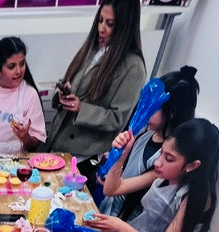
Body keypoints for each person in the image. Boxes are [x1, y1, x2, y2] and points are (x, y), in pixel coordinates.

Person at [85, 118, 219, 232]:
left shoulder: (196, 197)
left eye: (169, 158)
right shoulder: (163, 173)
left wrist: (121, 227)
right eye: (161, 152)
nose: (158, 162)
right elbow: (112, 189)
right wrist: (121, 155)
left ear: (193, 166)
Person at [45, 0, 146, 171]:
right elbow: (78, 90)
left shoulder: (133, 67)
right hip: (57, 146)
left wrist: (81, 109)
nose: (101, 28)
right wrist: (64, 95)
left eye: (110, 24)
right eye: (100, 20)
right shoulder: (92, 49)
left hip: (84, 157)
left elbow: (117, 119)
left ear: (125, 27)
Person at [99, 65, 200, 218]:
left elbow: (112, 189)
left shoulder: (165, 161)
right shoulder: (146, 134)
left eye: (151, 108)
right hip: (107, 211)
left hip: (124, 226)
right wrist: (110, 167)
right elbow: (120, 176)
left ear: (172, 113)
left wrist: (120, 159)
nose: (144, 113)